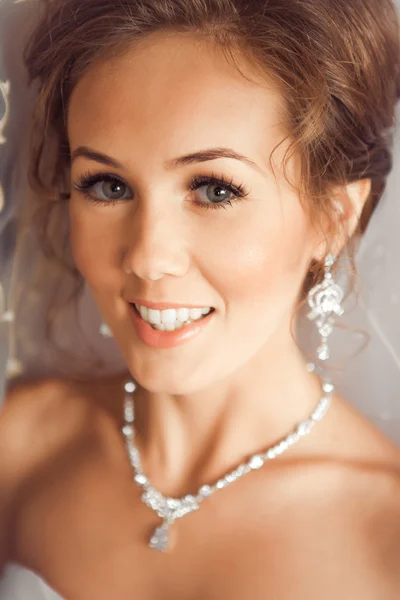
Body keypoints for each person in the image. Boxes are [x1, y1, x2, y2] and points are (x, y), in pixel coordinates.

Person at [0, 0, 400, 597]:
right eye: (107, 186)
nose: (147, 256)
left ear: (334, 217)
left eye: (214, 190)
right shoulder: (23, 443)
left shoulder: (384, 542)